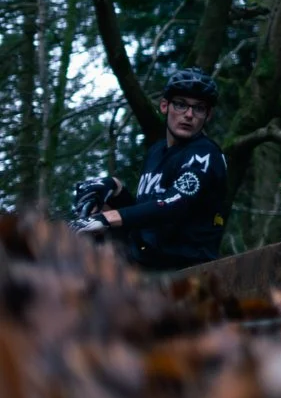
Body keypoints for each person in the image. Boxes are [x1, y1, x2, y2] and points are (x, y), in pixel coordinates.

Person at [70, 68, 232, 271]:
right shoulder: (156, 152)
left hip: (187, 269)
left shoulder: (204, 153)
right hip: (147, 262)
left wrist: (106, 219)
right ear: (165, 106)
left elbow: (175, 204)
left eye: (199, 108)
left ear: (208, 115)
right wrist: (116, 190)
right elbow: (147, 217)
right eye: (181, 104)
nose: (189, 115)